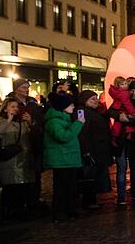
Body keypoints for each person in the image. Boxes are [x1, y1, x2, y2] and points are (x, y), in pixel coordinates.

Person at [43, 92, 85, 222]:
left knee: (70, 187)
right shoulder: (54, 122)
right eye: (70, 104)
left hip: (68, 159)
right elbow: (64, 137)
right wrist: (78, 124)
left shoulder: (64, 119)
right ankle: (60, 213)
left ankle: (69, 210)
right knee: (61, 188)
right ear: (62, 107)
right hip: (61, 160)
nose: (73, 107)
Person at [0, 98, 35, 218]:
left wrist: (31, 122)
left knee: (23, 188)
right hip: (9, 161)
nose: (15, 109)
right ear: (5, 108)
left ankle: (22, 210)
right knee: (10, 188)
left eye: (17, 107)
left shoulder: (23, 122)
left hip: (24, 160)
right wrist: (8, 120)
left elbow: (34, 136)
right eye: (12, 107)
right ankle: (9, 211)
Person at [10, 79, 45, 209]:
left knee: (35, 172)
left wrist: (32, 121)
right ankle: (20, 201)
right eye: (23, 87)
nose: (26, 89)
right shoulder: (11, 102)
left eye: (27, 87)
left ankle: (34, 198)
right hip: (19, 140)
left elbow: (39, 119)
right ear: (17, 88)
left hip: (33, 140)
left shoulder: (32, 103)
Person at [107, 80, 135, 201]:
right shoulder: (121, 99)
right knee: (122, 168)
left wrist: (128, 120)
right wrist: (118, 116)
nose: (134, 93)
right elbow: (110, 111)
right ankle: (121, 197)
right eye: (132, 90)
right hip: (121, 138)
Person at [75, 90, 112, 208]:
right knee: (89, 175)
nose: (96, 101)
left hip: (97, 149)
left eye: (96, 98)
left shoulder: (94, 112)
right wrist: (86, 150)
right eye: (92, 99)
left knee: (93, 175)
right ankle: (88, 201)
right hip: (91, 150)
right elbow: (82, 132)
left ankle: (91, 200)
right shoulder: (82, 112)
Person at [108, 77, 135, 147]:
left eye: (126, 84)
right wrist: (133, 112)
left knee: (117, 125)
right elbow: (127, 104)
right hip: (121, 110)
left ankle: (114, 137)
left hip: (118, 109)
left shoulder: (118, 92)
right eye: (122, 84)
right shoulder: (124, 93)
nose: (125, 85)